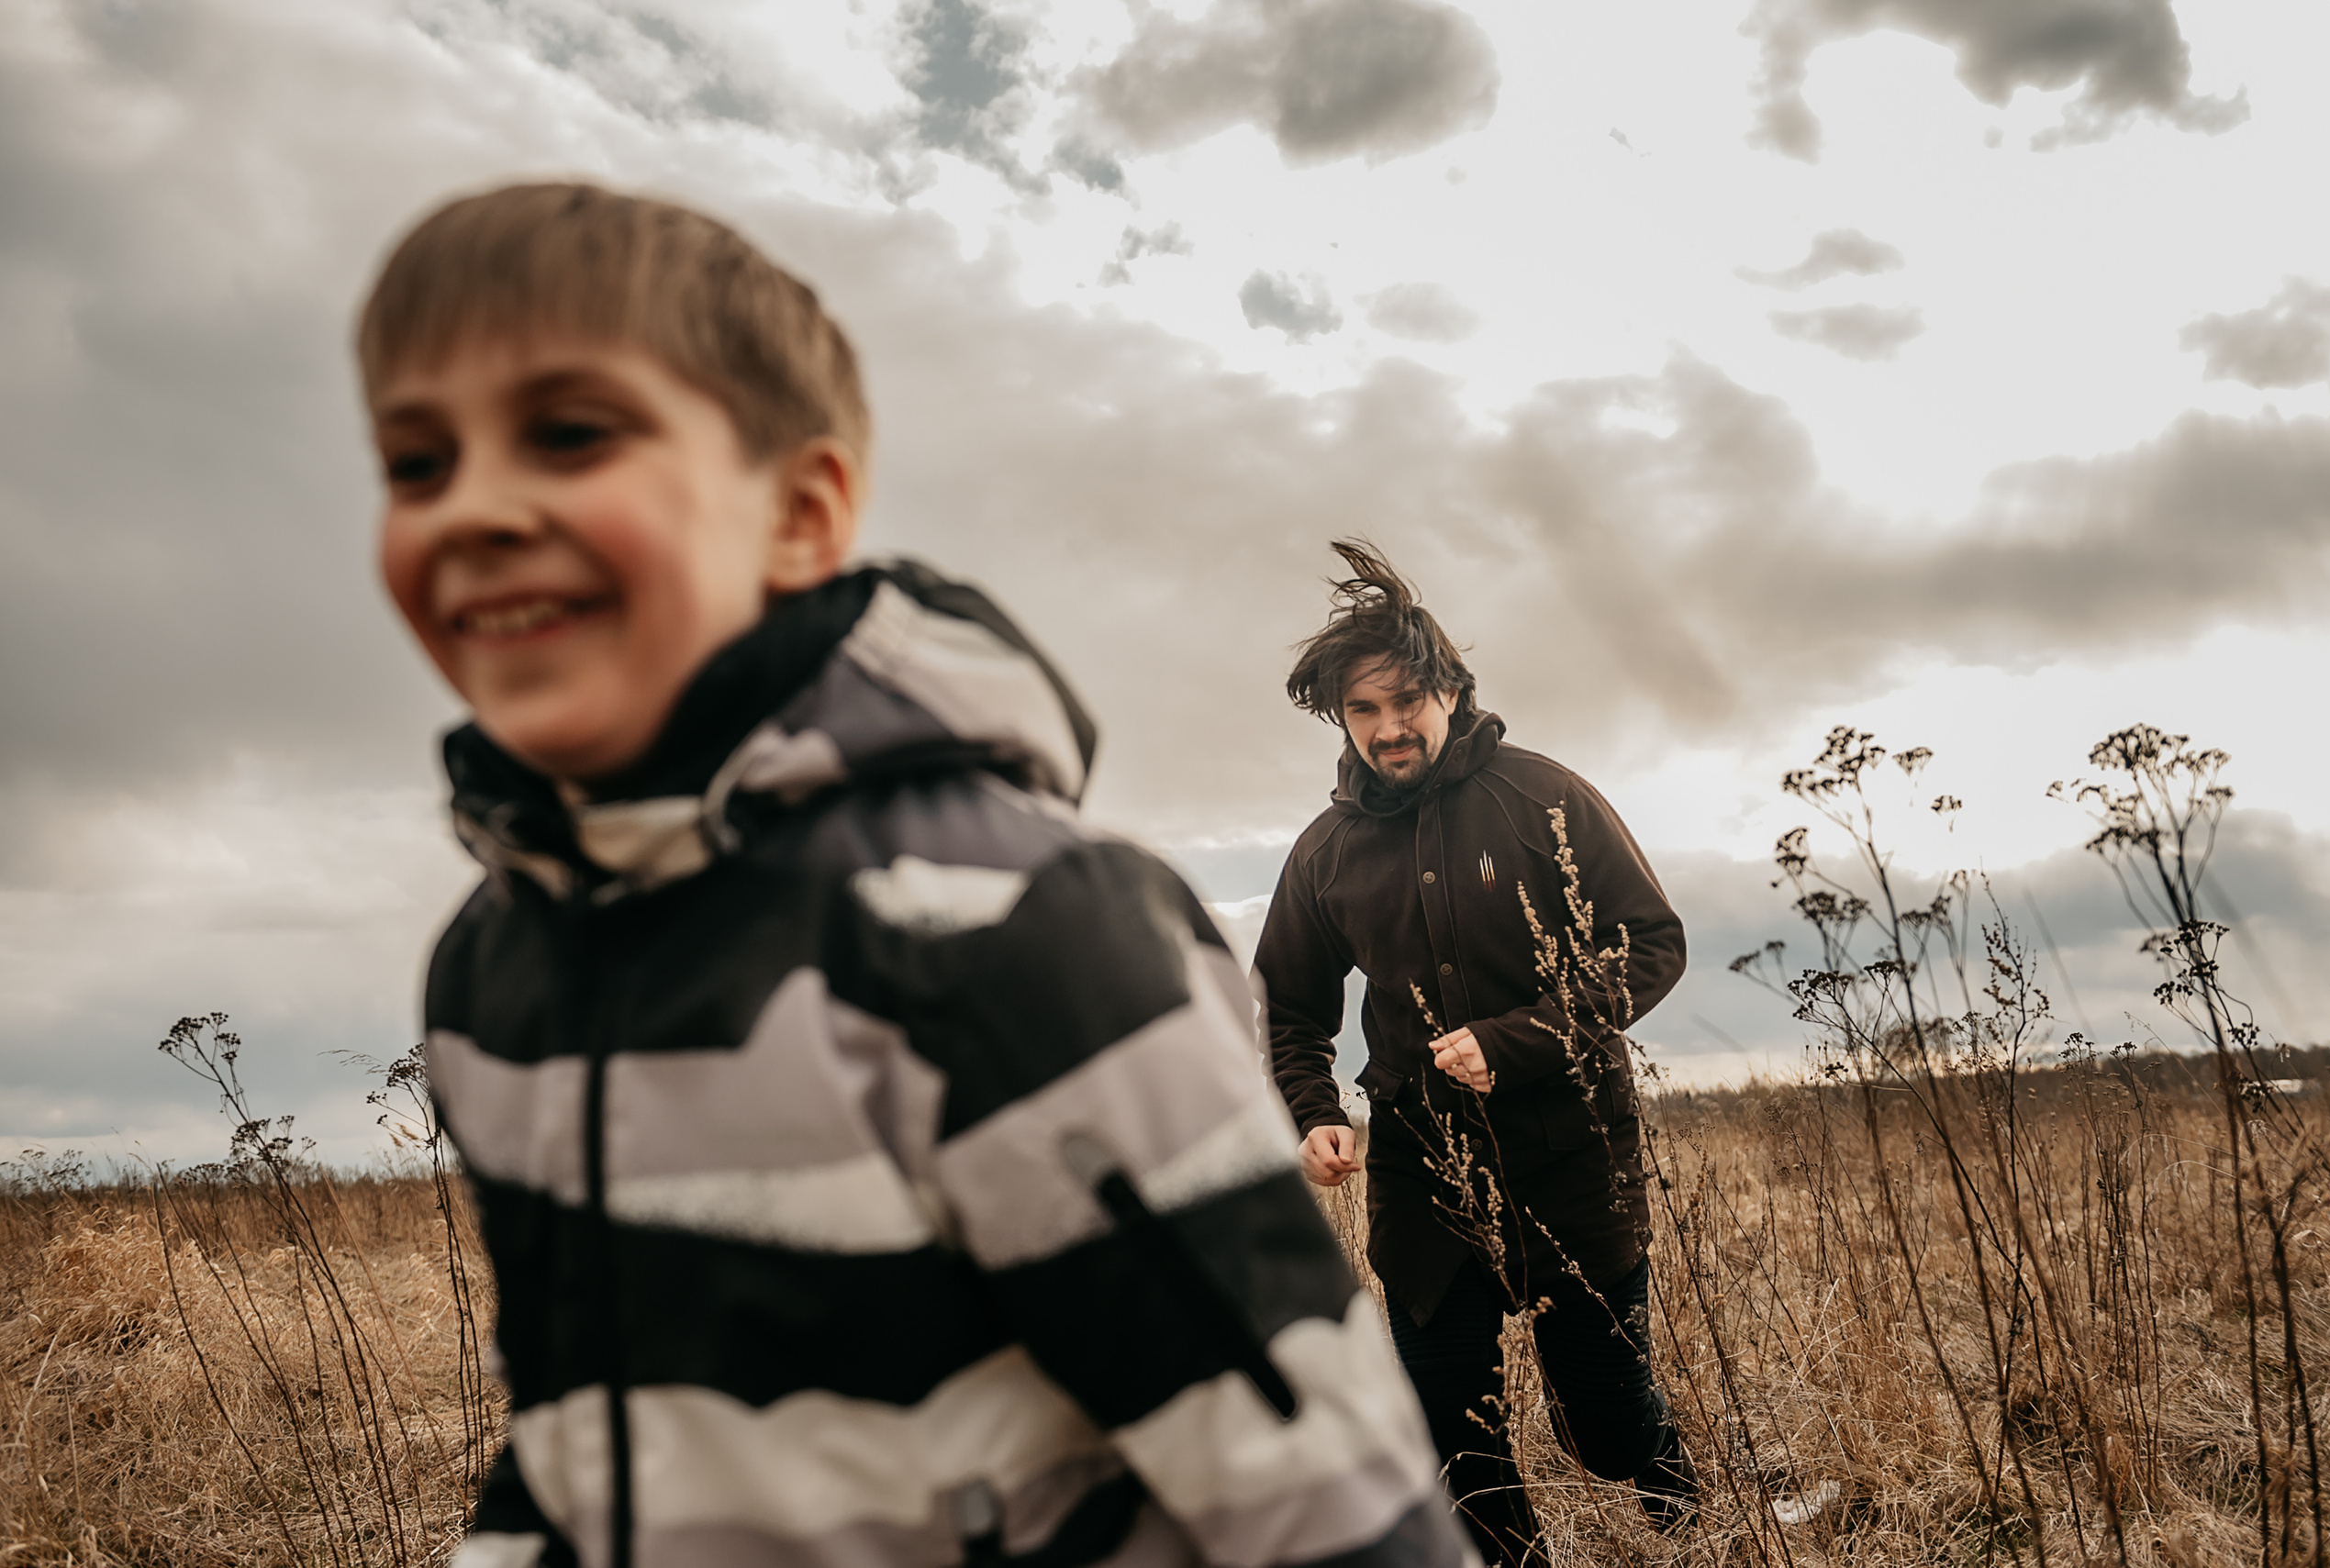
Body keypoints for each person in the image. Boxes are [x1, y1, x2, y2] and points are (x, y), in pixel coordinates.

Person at [359, 184, 1473, 1568]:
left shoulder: (1008, 932)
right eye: (416, 463)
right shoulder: (492, 966)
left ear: (801, 511)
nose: (475, 509)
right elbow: (588, 1429)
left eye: (570, 435)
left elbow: (1326, 1497)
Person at [1254, 541, 1696, 1562]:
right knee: (1450, 1426)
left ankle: (1681, 1502)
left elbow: (1650, 942)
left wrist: (1521, 1039)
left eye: (1405, 699)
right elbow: (1287, 1006)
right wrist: (1313, 1108)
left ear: (1449, 689)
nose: (1387, 726)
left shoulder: (1543, 797)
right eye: (1361, 710)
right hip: (1422, 1163)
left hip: (1573, 1148)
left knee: (1603, 1422)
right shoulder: (1325, 850)